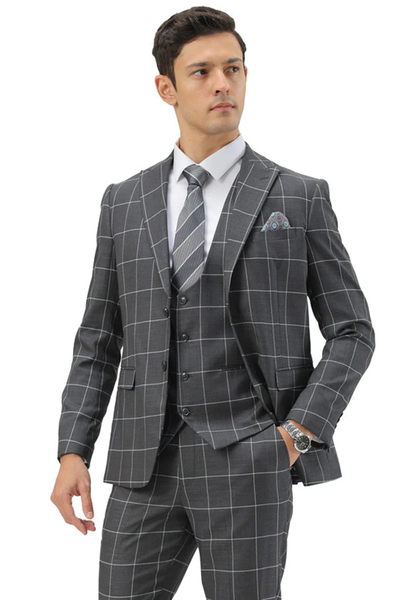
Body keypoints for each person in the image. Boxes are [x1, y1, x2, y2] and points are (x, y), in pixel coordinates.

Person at [51, 6, 375, 599]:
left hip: (250, 459)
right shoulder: (124, 201)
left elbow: (353, 330)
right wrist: (74, 449)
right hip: (144, 463)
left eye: (233, 68)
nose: (222, 83)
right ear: (166, 88)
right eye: (201, 72)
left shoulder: (298, 196)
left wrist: (298, 434)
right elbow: (98, 339)